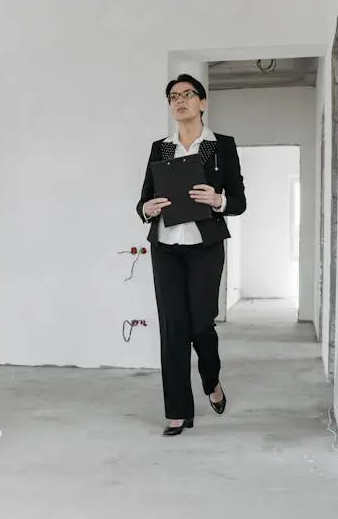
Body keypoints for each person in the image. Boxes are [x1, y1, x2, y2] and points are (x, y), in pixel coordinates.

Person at [135, 73, 246, 437]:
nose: (179, 101)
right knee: (173, 328)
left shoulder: (221, 146)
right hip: (165, 246)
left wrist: (218, 200)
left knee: (201, 323)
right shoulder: (161, 148)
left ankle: (211, 379)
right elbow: (143, 199)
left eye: (186, 94)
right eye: (173, 97)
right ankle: (178, 411)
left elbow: (239, 201)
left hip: (205, 246)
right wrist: (146, 209)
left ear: (202, 102)